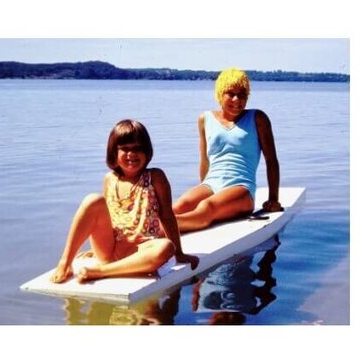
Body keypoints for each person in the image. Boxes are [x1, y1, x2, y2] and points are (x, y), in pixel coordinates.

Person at [51, 119, 199, 284]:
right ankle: (65, 262)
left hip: (141, 251)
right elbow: (106, 220)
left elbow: (167, 215)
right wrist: (94, 250)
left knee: (166, 247)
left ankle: (102, 271)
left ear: (147, 151)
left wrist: (179, 253)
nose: (131, 154)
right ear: (114, 153)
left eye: (137, 149)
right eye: (125, 149)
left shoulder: (155, 177)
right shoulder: (109, 179)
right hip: (111, 249)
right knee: (93, 200)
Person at [173, 67, 282, 232]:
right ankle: (140, 230)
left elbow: (271, 161)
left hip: (241, 188)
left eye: (242, 94)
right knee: (179, 206)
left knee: (207, 206)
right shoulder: (205, 119)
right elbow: (205, 160)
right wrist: (203, 187)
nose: (237, 100)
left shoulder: (258, 118)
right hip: (211, 184)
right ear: (219, 94)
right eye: (230, 94)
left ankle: (155, 229)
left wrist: (273, 199)